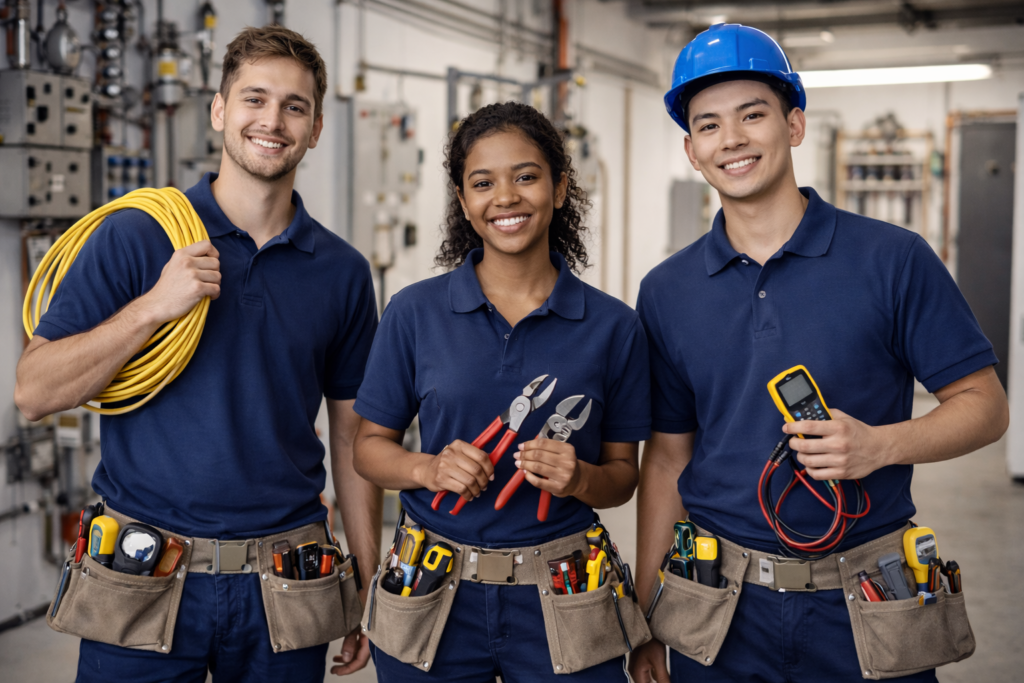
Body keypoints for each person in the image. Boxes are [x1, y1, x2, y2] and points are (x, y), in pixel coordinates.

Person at [628, 23, 1008, 683]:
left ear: (795, 125)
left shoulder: (893, 259)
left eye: (753, 115)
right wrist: (647, 614)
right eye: (709, 125)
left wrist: (880, 445)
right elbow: (666, 459)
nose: (732, 138)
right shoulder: (667, 289)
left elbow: (986, 406)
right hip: (716, 605)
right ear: (692, 150)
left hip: (868, 602)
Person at [15, 26, 380, 682]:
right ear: (219, 110)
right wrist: (154, 306)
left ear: (316, 129)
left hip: (285, 581)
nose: (272, 120)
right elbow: (34, 391)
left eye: (294, 106)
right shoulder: (136, 236)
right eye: (254, 99)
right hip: (141, 572)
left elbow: (354, 435)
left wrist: (366, 575)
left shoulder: (342, 271)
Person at [352, 101, 651, 681]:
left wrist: (579, 478)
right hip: (429, 589)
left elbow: (623, 477)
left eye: (526, 177)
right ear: (464, 201)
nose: (506, 197)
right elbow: (368, 448)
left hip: (565, 595)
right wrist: (427, 468)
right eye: (483, 182)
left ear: (559, 189)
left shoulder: (615, 327)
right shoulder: (414, 312)